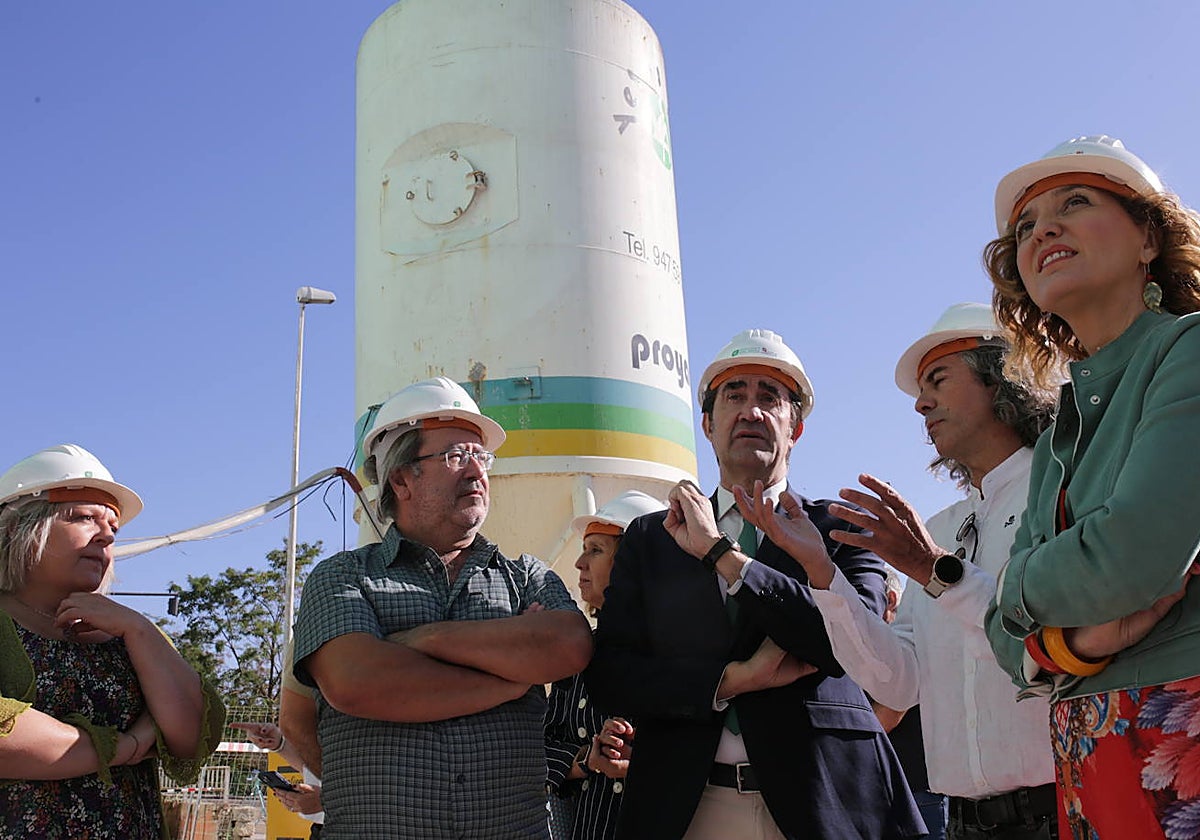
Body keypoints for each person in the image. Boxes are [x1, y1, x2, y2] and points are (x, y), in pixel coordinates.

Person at [589, 329, 924, 840]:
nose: (751, 411)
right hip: (686, 807)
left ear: (796, 429)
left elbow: (848, 647)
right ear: (707, 424)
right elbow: (612, 674)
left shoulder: (840, 530)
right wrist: (728, 681)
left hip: (824, 802)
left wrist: (722, 556)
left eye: (770, 398)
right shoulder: (651, 538)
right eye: (734, 396)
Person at [982, 135, 1200, 838]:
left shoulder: (1190, 347)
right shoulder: (1057, 434)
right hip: (1085, 756)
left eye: (1075, 202)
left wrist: (1013, 586)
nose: (1043, 230)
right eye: (1026, 226)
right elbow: (1000, 642)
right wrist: (1074, 643)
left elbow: (1134, 556)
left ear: (1148, 239)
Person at [786, 303, 1058, 839]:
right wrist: (823, 574)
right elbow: (900, 680)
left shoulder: (1059, 492)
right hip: (961, 823)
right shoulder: (939, 527)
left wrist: (933, 569)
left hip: (1065, 812)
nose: (920, 404)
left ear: (1003, 378)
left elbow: (1045, 643)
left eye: (938, 379)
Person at [293, 376, 593, 839]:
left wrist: (426, 639)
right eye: (456, 456)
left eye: (481, 456)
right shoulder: (343, 577)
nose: (476, 472)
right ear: (401, 479)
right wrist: (513, 678)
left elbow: (570, 644)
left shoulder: (525, 576)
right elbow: (357, 681)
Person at [0, 444, 225, 840]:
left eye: (113, 528)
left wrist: (139, 630)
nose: (106, 536)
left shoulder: (129, 634)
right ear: (20, 527)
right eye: (85, 517)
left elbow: (192, 738)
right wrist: (127, 746)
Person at [545, 490, 665, 840]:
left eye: (595, 550)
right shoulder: (580, 652)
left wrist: (642, 761)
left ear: (634, 562)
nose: (579, 563)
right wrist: (586, 759)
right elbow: (541, 744)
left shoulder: (685, 652)